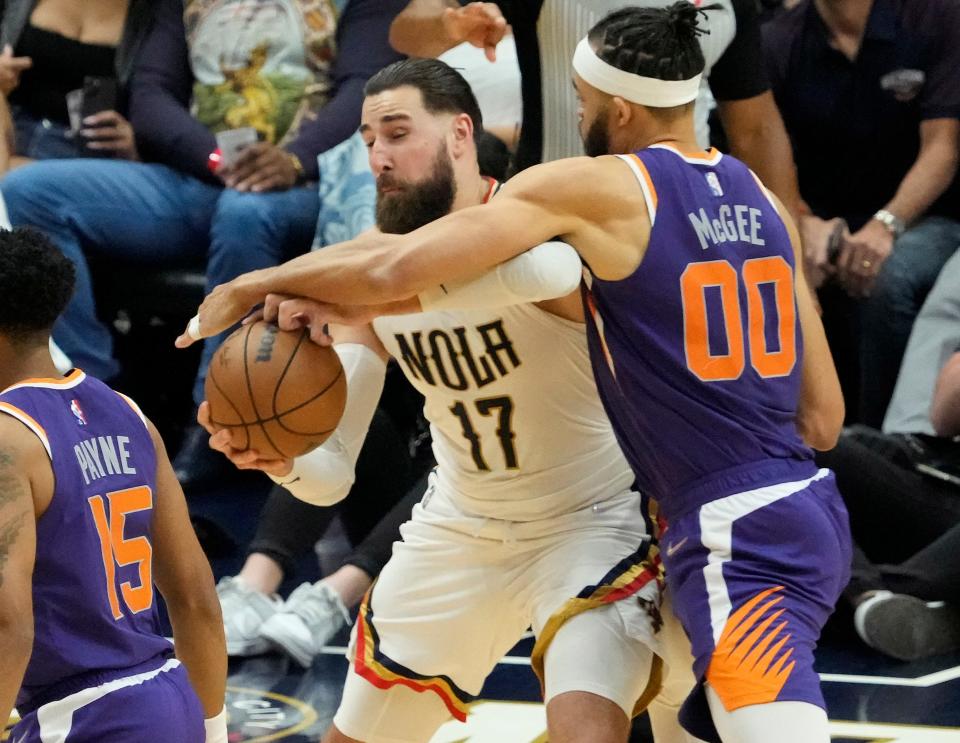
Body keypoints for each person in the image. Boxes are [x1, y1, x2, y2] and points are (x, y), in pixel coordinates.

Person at [182, 6, 851, 742]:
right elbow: (823, 420)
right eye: (368, 138)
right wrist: (278, 453)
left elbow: (414, 271)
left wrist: (259, 284)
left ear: (464, 134)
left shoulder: (569, 206)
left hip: (607, 527)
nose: (378, 156)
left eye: (398, 134)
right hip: (476, 527)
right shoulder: (760, 200)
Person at [0, 0, 407, 487]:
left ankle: (215, 421)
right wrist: (215, 158)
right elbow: (151, 95)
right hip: (202, 178)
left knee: (245, 213)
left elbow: (365, 89)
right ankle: (93, 400)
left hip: (309, 185)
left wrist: (295, 160)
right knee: (31, 191)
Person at [0, 228, 227, 741]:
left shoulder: (7, 438)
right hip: (171, 702)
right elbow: (195, 599)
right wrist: (213, 730)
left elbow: (8, 627)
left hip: (85, 718)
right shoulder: (127, 413)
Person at [389, 0, 805, 221]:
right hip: (548, 220)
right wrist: (450, 25)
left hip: (688, 221)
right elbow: (406, 30)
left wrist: (794, 266)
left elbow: (757, 129)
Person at [763, 0, 960, 425]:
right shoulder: (778, 41)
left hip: (929, 217)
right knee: (777, 271)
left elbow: (943, 148)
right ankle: (798, 441)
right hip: (827, 220)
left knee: (890, 279)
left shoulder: (935, 18)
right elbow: (765, 152)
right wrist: (802, 222)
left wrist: (886, 225)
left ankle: (889, 450)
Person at [0, 0, 153, 167]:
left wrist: (139, 141)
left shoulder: (154, 14)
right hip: (11, 128)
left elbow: (160, 97)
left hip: (82, 159)